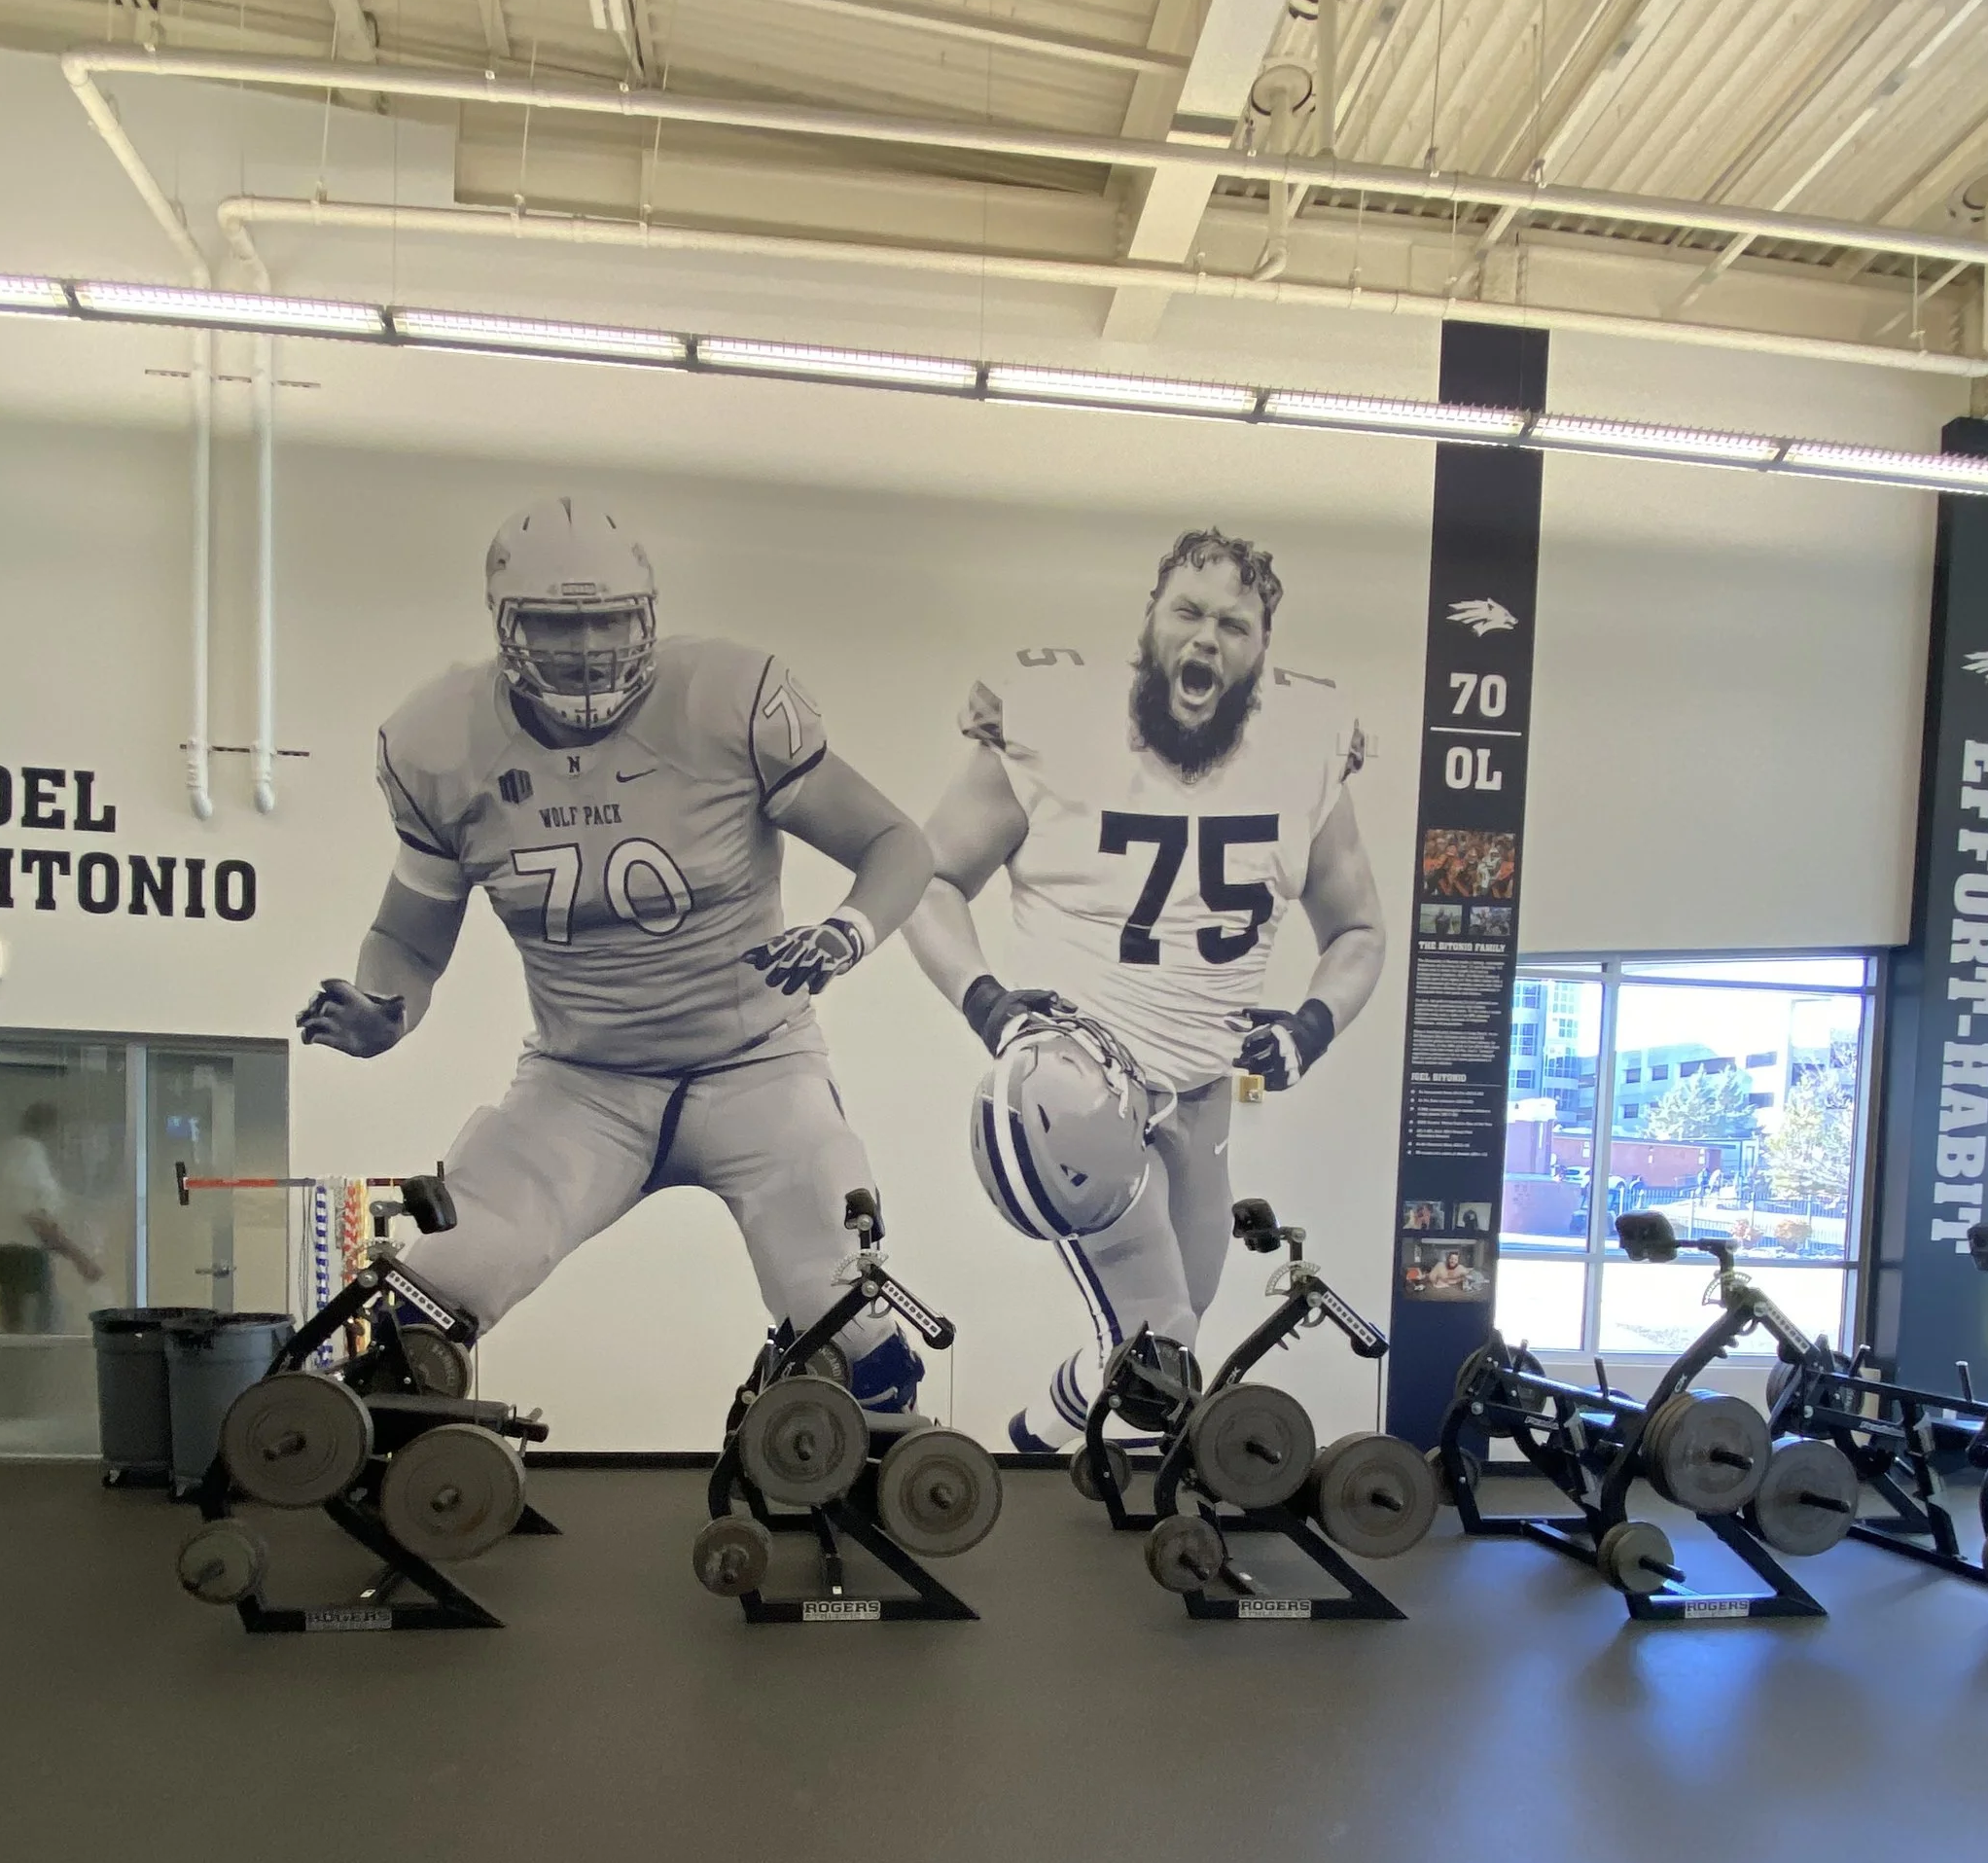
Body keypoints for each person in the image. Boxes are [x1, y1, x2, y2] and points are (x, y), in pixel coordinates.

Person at [301, 496, 933, 1399]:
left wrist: (847, 930)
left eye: (606, 617)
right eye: (559, 621)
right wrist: (384, 1010)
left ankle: (811, 1440)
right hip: (583, 1081)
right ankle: (424, 1488)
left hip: (757, 1064)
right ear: (505, 623)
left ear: (645, 614)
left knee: (854, 1331)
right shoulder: (441, 742)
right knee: (426, 1303)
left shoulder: (728, 702)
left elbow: (896, 843)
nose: (589, 645)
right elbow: (408, 936)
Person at [902, 525, 1385, 1452]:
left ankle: (1040, 1434)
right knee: (1164, 1340)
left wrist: (1311, 1026)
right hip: (1075, 1078)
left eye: (1234, 625)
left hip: (1203, 1093)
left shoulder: (1308, 745)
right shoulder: (1054, 721)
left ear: (1262, 653)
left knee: (1170, 1339)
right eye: (1187, 613)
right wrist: (988, 1003)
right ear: (1149, 624)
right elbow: (925, 879)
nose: (1206, 639)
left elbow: (1359, 930)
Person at [0, 1098, 104, 1332]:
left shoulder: (5, 1154)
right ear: (51, 1128)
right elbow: (36, 1218)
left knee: (16, 1324)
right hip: (21, 1255)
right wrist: (80, 1258)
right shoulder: (28, 1154)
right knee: (38, 1327)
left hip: (3, 1254)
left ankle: (18, 1365)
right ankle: (27, 1366)